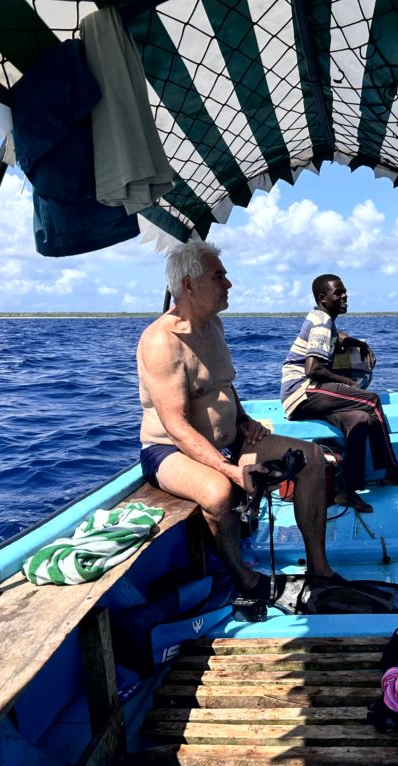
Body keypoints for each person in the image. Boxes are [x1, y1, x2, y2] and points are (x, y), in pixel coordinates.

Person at [137, 241, 336, 602]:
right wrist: (230, 471)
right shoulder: (160, 342)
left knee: (311, 458)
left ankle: (320, 569)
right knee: (219, 492)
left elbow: (223, 385)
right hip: (169, 451)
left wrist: (244, 420)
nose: (228, 284)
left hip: (229, 441)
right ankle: (243, 578)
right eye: (219, 276)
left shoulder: (213, 326)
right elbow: (177, 427)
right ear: (189, 285)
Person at [280, 274, 398, 513]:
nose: (344, 296)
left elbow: (338, 335)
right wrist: (346, 382)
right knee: (372, 401)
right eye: (338, 293)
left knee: (360, 418)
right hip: (303, 391)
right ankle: (392, 471)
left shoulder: (323, 319)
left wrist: (359, 343)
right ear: (323, 299)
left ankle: (346, 491)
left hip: (301, 397)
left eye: (344, 291)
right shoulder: (322, 323)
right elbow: (312, 369)